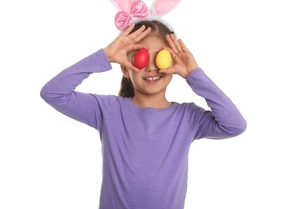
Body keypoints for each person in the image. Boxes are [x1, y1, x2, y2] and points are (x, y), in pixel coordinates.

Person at [40, 19, 247, 209]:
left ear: (174, 63)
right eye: (141, 58)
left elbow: (235, 124)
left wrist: (194, 75)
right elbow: (53, 93)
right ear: (125, 68)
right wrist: (104, 56)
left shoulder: (187, 117)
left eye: (161, 58)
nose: (151, 67)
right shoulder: (108, 110)